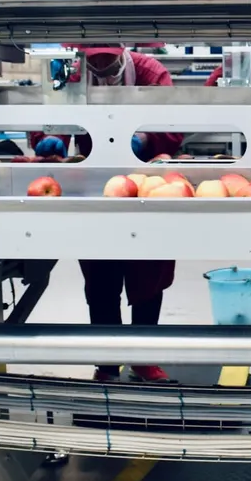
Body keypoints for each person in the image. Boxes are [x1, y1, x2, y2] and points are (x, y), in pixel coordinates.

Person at [29, 45, 182, 383]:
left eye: (107, 62)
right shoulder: (71, 72)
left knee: (148, 274)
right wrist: (49, 137)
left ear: (122, 54)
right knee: (100, 278)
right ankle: (108, 364)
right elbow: (49, 111)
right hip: (93, 184)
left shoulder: (151, 74)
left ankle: (143, 358)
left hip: (145, 187)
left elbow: (174, 124)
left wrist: (144, 139)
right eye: (93, 64)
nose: (101, 69)